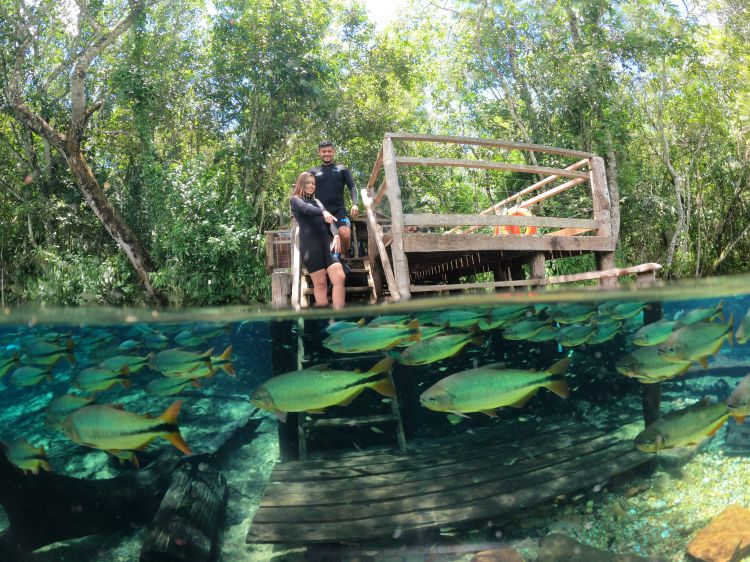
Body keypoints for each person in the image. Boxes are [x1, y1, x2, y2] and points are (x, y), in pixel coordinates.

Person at [290, 171, 346, 309]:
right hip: (310, 247)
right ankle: (325, 321)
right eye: (308, 183)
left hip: (326, 246)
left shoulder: (318, 202)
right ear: (301, 184)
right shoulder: (295, 200)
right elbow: (306, 209)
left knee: (340, 277)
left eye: (313, 183)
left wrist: (336, 234)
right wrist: (323, 212)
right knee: (320, 284)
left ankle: (339, 314)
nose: (311, 186)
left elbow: (330, 222)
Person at [308, 141, 359, 256]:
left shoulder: (342, 169)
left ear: (334, 152)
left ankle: (340, 256)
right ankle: (330, 260)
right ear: (319, 153)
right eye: (324, 151)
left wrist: (355, 204)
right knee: (324, 239)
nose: (327, 154)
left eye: (329, 151)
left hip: (339, 209)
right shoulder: (313, 171)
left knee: (345, 234)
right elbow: (305, 188)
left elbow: (352, 186)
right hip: (321, 211)